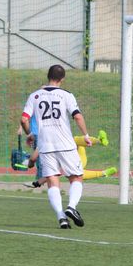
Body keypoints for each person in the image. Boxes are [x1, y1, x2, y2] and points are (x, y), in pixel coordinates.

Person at [20, 64, 91, 229]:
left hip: (46, 146)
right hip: (65, 143)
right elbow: (77, 117)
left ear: (48, 76)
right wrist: (86, 135)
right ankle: (71, 207)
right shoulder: (66, 95)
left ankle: (61, 217)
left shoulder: (34, 96)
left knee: (53, 181)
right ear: (62, 79)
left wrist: (30, 135)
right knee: (76, 177)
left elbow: (24, 119)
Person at [20, 123, 116, 188]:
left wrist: (30, 166)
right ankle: (99, 142)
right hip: (77, 159)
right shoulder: (57, 138)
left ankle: (103, 171)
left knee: (71, 172)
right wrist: (36, 183)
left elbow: (35, 159)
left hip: (74, 160)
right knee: (76, 143)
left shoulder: (45, 143)